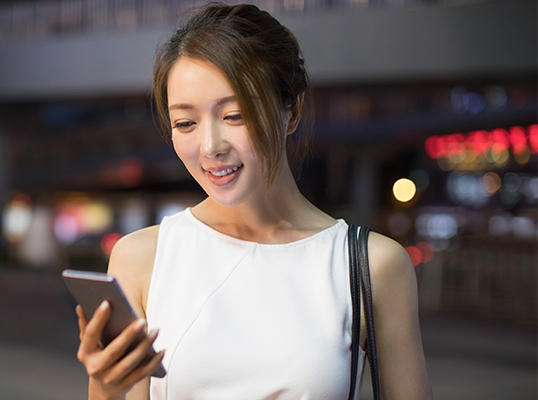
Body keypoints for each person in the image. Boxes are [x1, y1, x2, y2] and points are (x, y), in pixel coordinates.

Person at [73, 3, 433, 399]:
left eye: (235, 115)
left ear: (291, 111)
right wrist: (106, 387)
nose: (210, 147)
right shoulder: (142, 259)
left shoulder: (371, 265)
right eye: (186, 123)